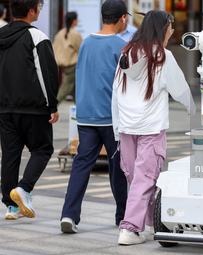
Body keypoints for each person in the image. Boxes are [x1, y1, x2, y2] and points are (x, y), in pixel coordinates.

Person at [112, 10, 196, 245]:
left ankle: (151, 222)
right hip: (150, 128)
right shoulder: (163, 56)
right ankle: (129, 229)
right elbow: (180, 89)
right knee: (146, 178)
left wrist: (117, 129)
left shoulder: (127, 53)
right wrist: (194, 110)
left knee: (138, 179)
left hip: (128, 127)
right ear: (161, 29)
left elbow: (115, 94)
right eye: (170, 27)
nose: (172, 32)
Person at [60, 0, 128, 233]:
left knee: (81, 164)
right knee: (117, 167)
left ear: (101, 17)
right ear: (123, 19)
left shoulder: (87, 42)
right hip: (111, 118)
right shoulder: (122, 46)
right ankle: (122, 217)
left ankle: (69, 215)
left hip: (86, 116)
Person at [0, 0, 59, 220]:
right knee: (43, 149)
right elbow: (47, 75)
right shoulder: (37, 37)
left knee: (10, 155)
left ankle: (11, 206)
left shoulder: (1, 35)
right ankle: (24, 189)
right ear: (32, 11)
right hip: (33, 107)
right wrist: (52, 106)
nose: (40, 11)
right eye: (39, 7)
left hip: (5, 108)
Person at [53, 12, 82, 104]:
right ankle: (52, 108)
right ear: (74, 21)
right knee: (65, 88)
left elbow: (55, 48)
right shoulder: (75, 34)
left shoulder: (60, 33)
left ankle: (79, 109)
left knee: (74, 88)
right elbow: (81, 49)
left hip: (63, 65)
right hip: (73, 65)